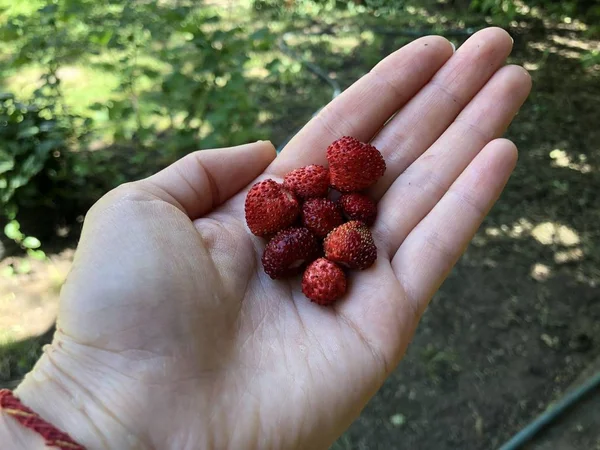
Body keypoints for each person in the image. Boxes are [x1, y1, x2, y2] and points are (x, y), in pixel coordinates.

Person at [0, 27, 531, 449]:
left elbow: (332, 228)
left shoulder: (335, 216)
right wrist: (80, 391)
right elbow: (309, 237)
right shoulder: (311, 221)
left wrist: (79, 402)